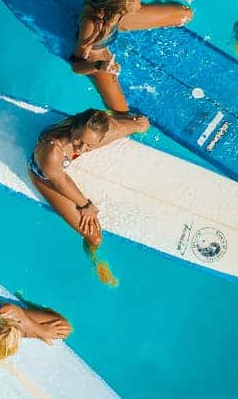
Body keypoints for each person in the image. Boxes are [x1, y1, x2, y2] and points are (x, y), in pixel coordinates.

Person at [27, 107, 151, 285]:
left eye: (89, 145)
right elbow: (61, 182)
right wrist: (86, 206)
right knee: (94, 236)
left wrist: (137, 125)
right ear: (74, 129)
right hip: (45, 175)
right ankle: (93, 259)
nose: (82, 148)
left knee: (133, 126)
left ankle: (113, 128)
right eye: (79, 140)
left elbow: (113, 130)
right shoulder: (51, 153)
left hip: (69, 154)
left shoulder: (88, 137)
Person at [70, 0, 198, 112]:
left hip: (119, 19)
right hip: (98, 51)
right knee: (121, 112)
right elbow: (76, 66)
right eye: (134, 7)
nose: (139, 6)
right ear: (117, 11)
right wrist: (100, 65)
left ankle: (126, 19)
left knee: (186, 14)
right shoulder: (92, 26)